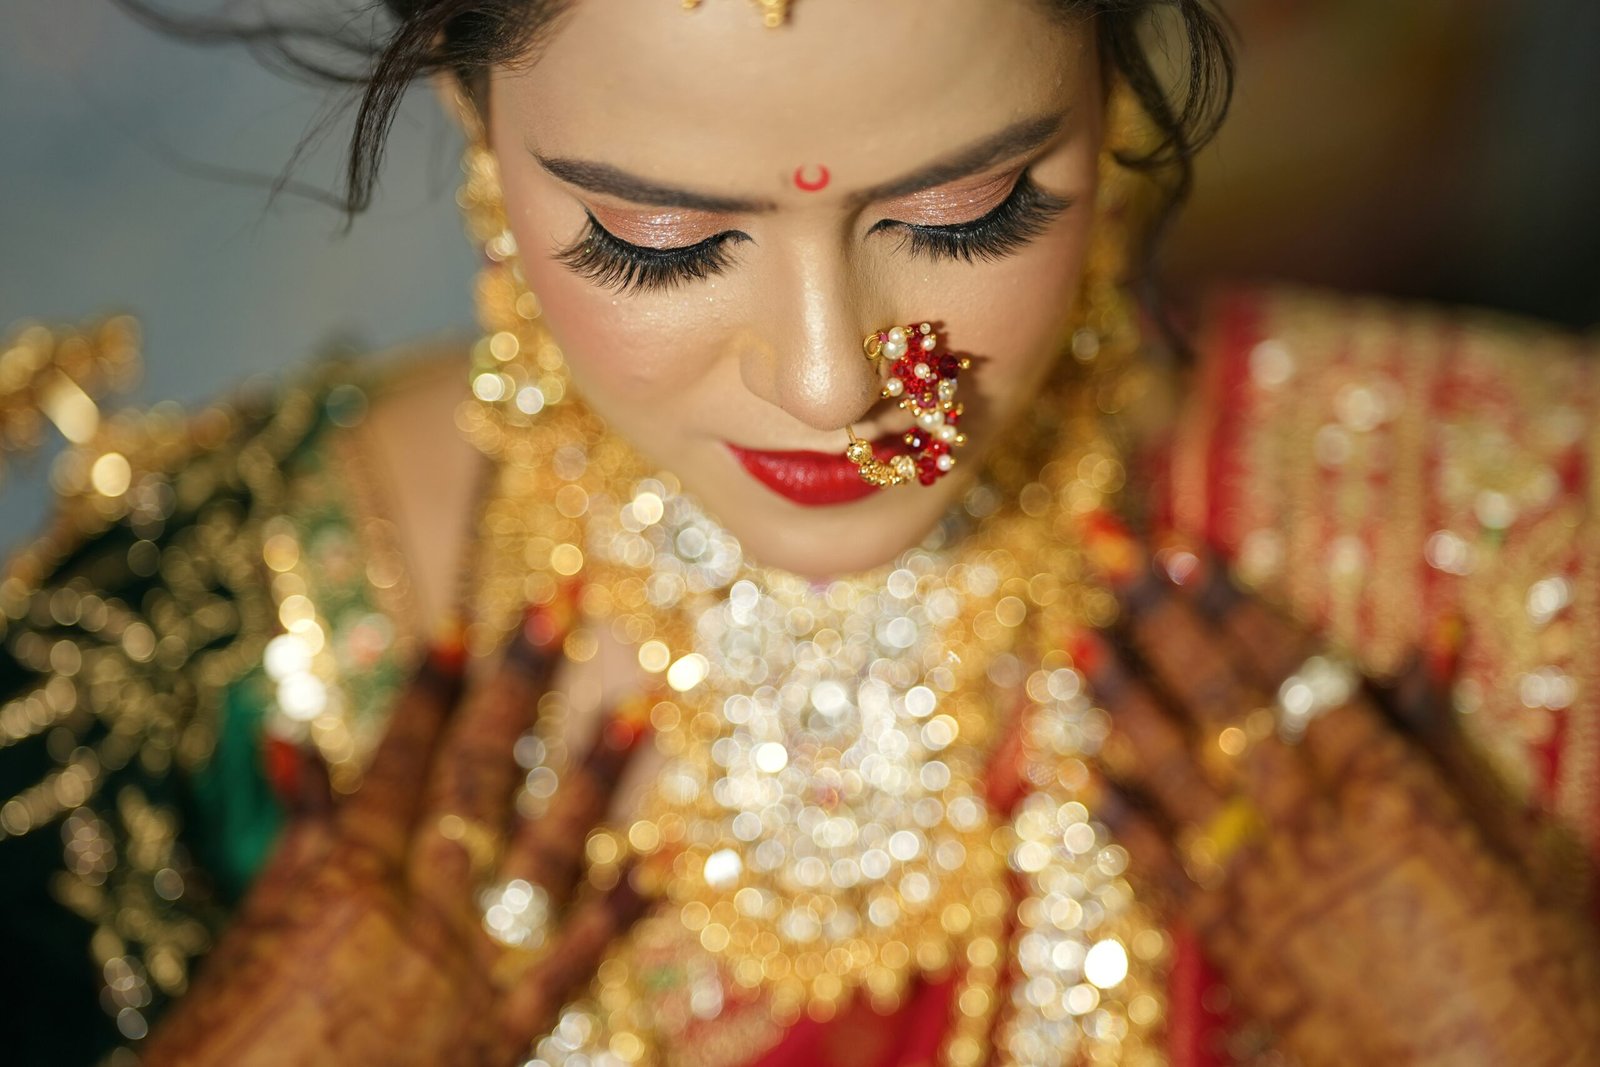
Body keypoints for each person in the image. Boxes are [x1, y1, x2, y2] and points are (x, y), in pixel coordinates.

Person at [2, 1, 1598, 1064]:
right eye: (659, 238)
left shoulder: (1525, 525)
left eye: (968, 213)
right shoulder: (172, 676)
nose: (837, 382)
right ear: (475, 130)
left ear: (1114, 97)